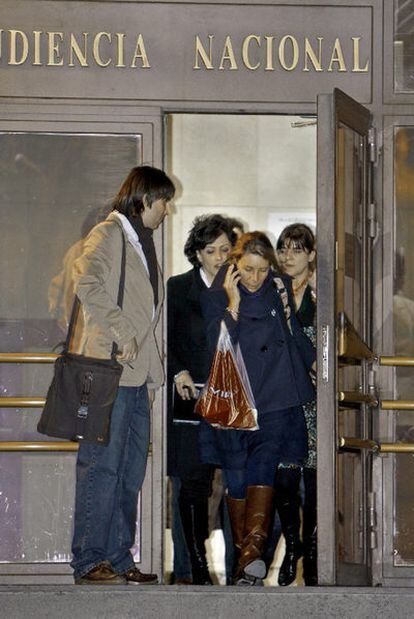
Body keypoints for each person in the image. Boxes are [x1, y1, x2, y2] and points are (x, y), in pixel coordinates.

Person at [70, 165, 175, 585]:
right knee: (101, 467)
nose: (168, 208)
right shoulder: (109, 233)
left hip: (134, 378)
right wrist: (120, 331)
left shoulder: (141, 241)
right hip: (109, 371)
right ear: (145, 198)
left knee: (130, 471)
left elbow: (146, 313)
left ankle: (116, 555)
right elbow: (86, 281)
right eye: (164, 200)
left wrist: (152, 378)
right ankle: (89, 558)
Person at [200, 231, 315, 585]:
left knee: (263, 469)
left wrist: (315, 366)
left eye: (263, 270)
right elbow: (213, 347)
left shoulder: (278, 287)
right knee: (236, 477)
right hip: (236, 402)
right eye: (248, 269)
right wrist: (232, 305)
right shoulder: (219, 291)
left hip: (276, 399)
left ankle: (250, 556)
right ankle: (246, 560)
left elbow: (294, 332)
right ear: (235, 265)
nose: (255, 277)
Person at [167, 214, 236, 585]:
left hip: (231, 399)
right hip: (190, 396)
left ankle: (237, 567)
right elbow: (167, 339)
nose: (219, 257)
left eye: (226, 249)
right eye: (211, 250)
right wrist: (177, 371)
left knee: (234, 482)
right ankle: (191, 566)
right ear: (197, 252)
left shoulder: (240, 287)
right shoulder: (177, 288)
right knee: (191, 483)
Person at [275, 223, 317, 586]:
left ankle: (314, 552)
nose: (289, 256)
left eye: (297, 249)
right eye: (284, 248)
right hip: (285, 395)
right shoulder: (274, 289)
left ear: (312, 255)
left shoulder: (324, 293)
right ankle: (292, 548)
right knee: (285, 479)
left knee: (316, 480)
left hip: (316, 399)